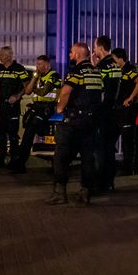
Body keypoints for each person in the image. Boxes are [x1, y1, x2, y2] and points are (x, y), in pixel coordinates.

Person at [46, 42, 103, 206]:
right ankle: (85, 193)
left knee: (61, 157)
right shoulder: (96, 72)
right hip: (91, 121)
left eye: (71, 52)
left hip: (74, 120)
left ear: (78, 54)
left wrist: (59, 108)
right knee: (87, 158)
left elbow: (65, 91)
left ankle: (59, 193)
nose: (70, 55)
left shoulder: (76, 72)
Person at [9, 55, 60, 175]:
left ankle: (20, 163)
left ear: (48, 64)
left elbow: (44, 91)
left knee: (30, 131)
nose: (38, 67)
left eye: (41, 64)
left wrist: (33, 89)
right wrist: (34, 78)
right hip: (37, 107)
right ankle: (20, 163)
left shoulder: (54, 76)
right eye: (37, 64)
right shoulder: (37, 76)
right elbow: (27, 91)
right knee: (27, 131)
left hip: (47, 108)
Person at [0, 46, 31, 169]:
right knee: (0, 134)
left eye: (2, 55)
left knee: (13, 134)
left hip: (12, 107)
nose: (0, 57)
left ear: (9, 56)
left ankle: (14, 159)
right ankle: (1, 159)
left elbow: (27, 86)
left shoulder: (19, 69)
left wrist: (17, 96)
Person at [92, 35, 119, 193]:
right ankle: (109, 182)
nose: (94, 50)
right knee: (109, 149)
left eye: (95, 47)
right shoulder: (115, 65)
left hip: (102, 112)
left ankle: (99, 184)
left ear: (100, 48)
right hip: (113, 112)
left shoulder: (102, 66)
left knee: (100, 149)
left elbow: (98, 88)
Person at [112, 49, 138, 176]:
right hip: (117, 110)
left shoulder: (129, 69)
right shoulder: (120, 70)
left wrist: (130, 98)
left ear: (120, 58)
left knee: (127, 140)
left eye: (114, 58)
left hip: (127, 110)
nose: (113, 61)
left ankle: (128, 167)